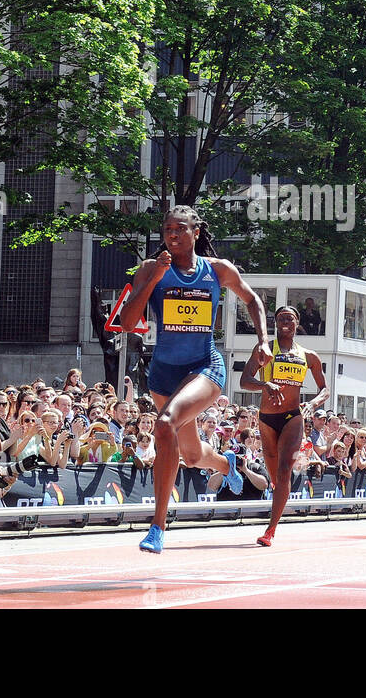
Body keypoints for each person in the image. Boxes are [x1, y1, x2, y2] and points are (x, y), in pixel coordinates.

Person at [120, 206, 272, 554]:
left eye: (180, 229)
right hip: (164, 373)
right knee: (189, 455)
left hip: (205, 366)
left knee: (164, 424)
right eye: (167, 229)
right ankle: (226, 462)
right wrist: (155, 279)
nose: (172, 235)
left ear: (196, 233)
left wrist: (262, 339)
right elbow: (128, 323)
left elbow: (253, 300)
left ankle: (157, 526)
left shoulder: (217, 271)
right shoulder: (149, 268)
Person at [239, 304, 330, 547]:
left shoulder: (309, 356)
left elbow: (325, 389)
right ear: (275, 323)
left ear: (297, 323)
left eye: (290, 318)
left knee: (284, 470)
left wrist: (313, 403)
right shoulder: (264, 351)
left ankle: (270, 530)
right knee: (275, 478)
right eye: (281, 318)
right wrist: (265, 385)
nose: (285, 322)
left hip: (293, 417)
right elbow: (245, 380)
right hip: (267, 419)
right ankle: (280, 497)